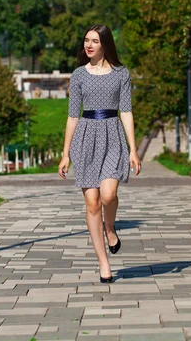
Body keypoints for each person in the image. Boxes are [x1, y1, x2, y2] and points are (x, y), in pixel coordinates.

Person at [58, 24, 142, 283]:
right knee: (92, 202)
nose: (89, 45)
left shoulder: (121, 74)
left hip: (113, 135)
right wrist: (65, 154)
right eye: (86, 40)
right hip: (85, 138)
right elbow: (73, 116)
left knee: (108, 195)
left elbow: (126, 111)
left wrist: (133, 149)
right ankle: (103, 263)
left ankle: (109, 227)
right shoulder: (78, 75)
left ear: (105, 44)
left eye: (95, 40)